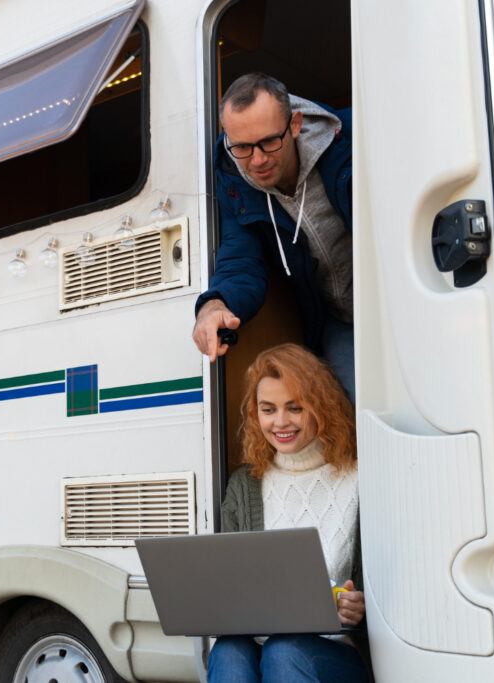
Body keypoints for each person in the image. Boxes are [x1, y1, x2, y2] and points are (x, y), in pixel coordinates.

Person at [208, 343, 367, 683]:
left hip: (334, 651)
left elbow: (388, 586)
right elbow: (229, 583)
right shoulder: (244, 486)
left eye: (294, 408)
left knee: (284, 650)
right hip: (260, 645)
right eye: (268, 409)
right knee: (227, 650)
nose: (280, 422)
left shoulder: (360, 479)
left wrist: (359, 605)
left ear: (321, 408)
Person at [192, 73, 354, 400]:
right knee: (352, 413)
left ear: (295, 124)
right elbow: (240, 261)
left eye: (268, 141)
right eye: (242, 147)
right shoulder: (236, 185)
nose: (257, 160)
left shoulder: (349, 140)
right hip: (338, 320)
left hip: (395, 303)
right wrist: (213, 304)